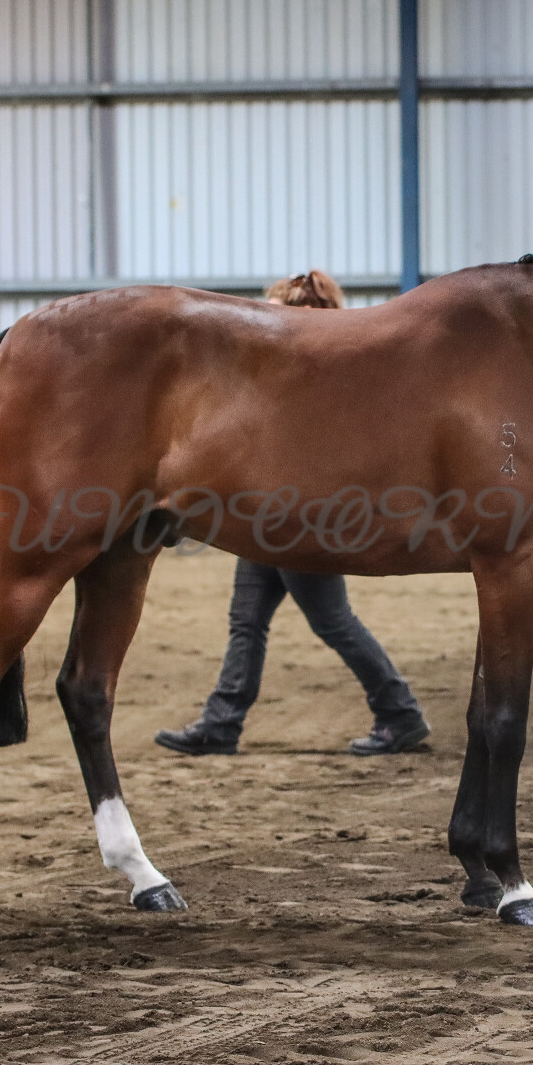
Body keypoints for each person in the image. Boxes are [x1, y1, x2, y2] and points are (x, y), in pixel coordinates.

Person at [154, 271, 431, 758]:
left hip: (301, 516)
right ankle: (222, 722)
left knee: (331, 620)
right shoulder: (318, 375)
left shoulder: (314, 378)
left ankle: (399, 711)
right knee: (248, 619)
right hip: (267, 513)